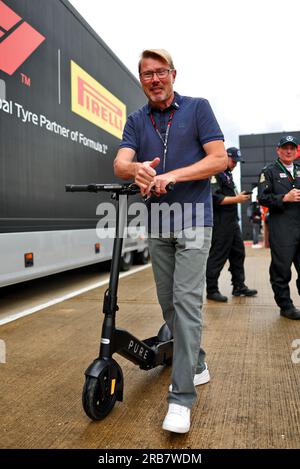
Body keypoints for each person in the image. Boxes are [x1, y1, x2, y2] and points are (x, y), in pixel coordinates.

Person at [114, 49, 227, 433]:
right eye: (147, 74)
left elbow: (219, 160)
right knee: (168, 305)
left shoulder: (198, 109)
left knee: (186, 301)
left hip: (195, 220)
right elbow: (120, 163)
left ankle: (180, 400)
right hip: (158, 221)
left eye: (161, 72)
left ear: (173, 75)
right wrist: (136, 168)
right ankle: (196, 362)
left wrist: (174, 175)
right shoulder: (136, 120)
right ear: (141, 80)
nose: (155, 79)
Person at [206, 147, 258, 302]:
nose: (235, 164)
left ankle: (238, 286)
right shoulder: (215, 173)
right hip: (220, 222)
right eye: (234, 161)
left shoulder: (228, 174)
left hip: (232, 222)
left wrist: (238, 196)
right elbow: (216, 199)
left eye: (237, 162)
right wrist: (237, 199)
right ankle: (212, 290)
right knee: (218, 255)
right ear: (225, 157)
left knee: (238, 253)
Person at [257, 135, 300, 320]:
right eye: (285, 148)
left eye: (292, 148)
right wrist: (284, 198)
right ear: (278, 150)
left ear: (296, 151)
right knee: (281, 270)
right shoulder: (269, 171)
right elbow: (262, 197)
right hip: (282, 228)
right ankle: (285, 306)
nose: (288, 151)